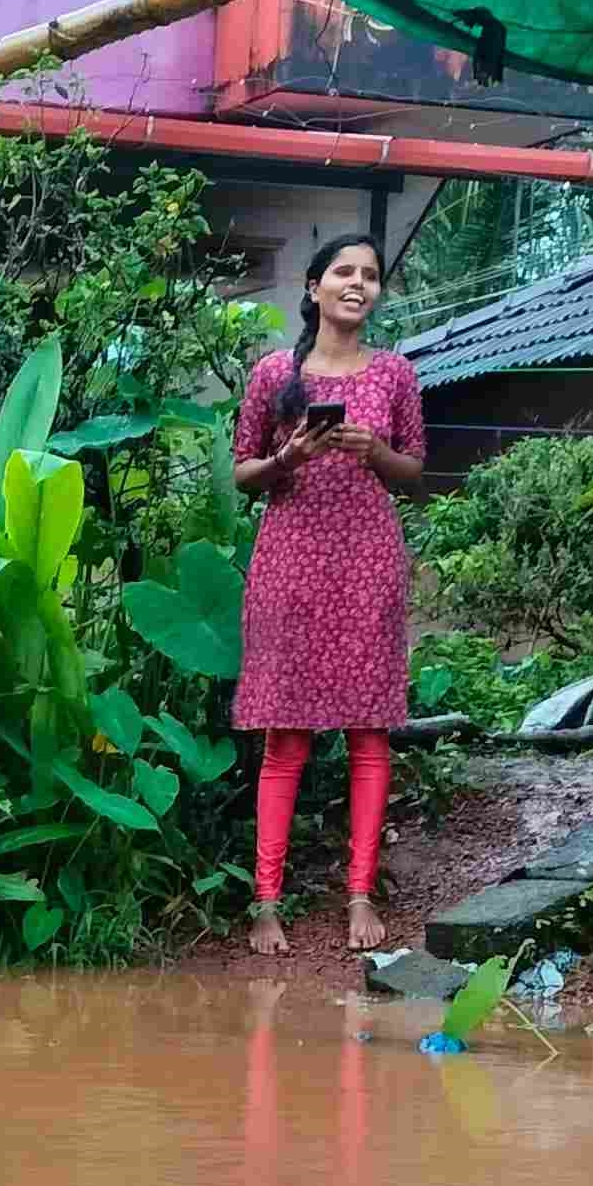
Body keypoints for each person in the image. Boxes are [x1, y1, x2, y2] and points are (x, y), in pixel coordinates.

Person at [229, 235, 428, 956]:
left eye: (370, 276)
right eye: (344, 272)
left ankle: (359, 892)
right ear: (313, 287)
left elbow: (414, 469)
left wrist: (372, 451)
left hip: (368, 561)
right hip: (290, 561)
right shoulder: (272, 375)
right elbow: (242, 474)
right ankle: (266, 900)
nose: (358, 284)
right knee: (287, 737)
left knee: (369, 734)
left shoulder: (396, 374)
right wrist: (292, 455)